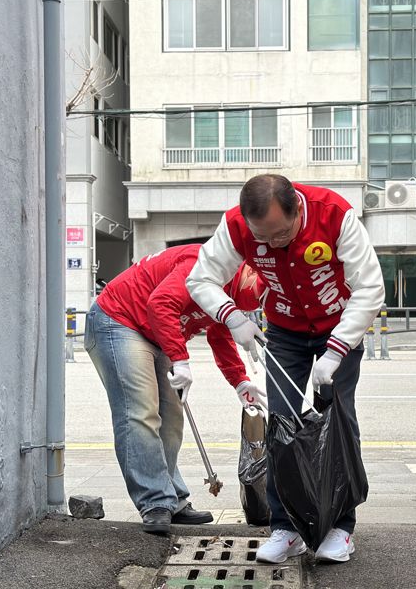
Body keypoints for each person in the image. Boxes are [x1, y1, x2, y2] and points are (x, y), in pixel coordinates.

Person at [186, 174, 385, 563]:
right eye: (263, 237)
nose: (272, 243)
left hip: (339, 325)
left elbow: (370, 287)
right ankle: (286, 527)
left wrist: (337, 350)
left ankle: (341, 528)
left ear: (297, 208)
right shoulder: (236, 227)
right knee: (282, 424)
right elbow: (201, 278)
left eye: (281, 233)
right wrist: (232, 317)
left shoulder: (334, 215)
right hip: (285, 332)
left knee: (339, 421)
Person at [84, 244, 267, 535]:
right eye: (260, 287)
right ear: (247, 267)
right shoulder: (205, 263)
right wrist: (180, 360)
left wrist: (240, 381)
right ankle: (156, 502)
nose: (259, 298)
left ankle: (173, 499)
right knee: (140, 412)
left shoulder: (231, 293)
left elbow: (220, 335)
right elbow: (161, 303)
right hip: (119, 320)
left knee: (171, 419)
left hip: (156, 332)